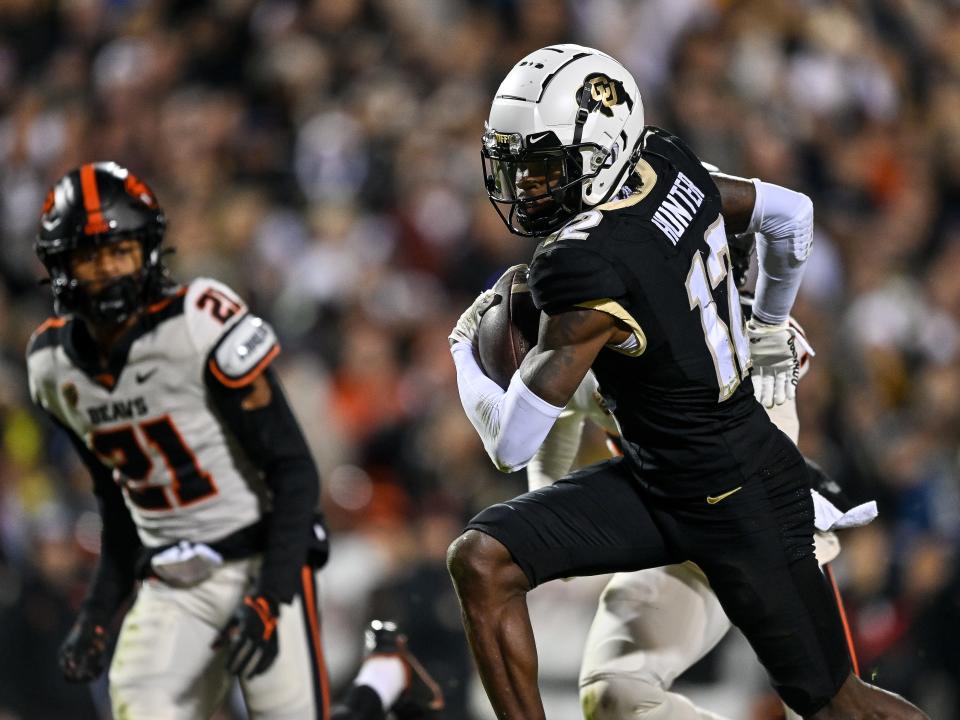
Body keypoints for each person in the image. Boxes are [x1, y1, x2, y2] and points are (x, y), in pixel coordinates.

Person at [446, 44, 927, 719]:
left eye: (544, 168)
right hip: (664, 476)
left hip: (739, 494)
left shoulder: (582, 270)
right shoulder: (664, 165)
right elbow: (789, 214)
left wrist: (465, 353)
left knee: (840, 706)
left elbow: (513, 445)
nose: (525, 188)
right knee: (484, 560)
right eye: (516, 167)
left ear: (600, 154)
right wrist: (766, 325)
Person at [27, 162, 442, 720]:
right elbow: (118, 501)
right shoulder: (54, 367)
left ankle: (382, 679)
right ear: (61, 266)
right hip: (168, 579)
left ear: (147, 250)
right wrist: (100, 613)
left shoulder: (199, 321)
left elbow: (293, 469)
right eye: (91, 255)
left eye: (119, 251)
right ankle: (383, 679)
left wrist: (270, 597)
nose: (108, 271)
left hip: (259, 556)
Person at [523, 237, 873, 720]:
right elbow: (555, 422)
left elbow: (758, 461)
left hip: (769, 535)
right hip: (674, 535)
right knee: (615, 695)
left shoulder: (755, 335)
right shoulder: (590, 337)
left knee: (835, 709)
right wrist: (549, 517)